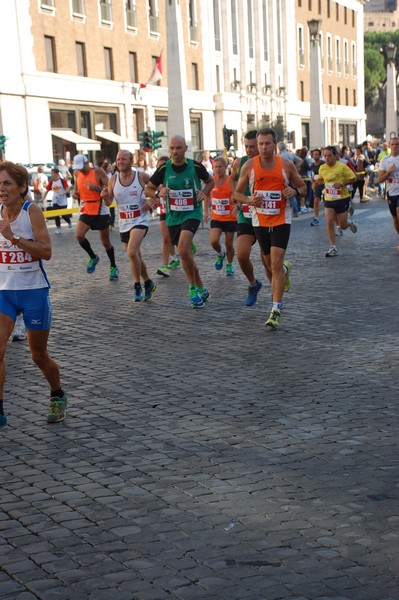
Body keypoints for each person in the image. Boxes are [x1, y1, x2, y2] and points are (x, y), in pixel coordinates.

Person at [0, 161, 68, 427]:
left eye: (7, 183)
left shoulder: (32, 212)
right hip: (4, 292)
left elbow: (46, 252)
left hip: (33, 291)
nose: (2, 189)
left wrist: (13, 237)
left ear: (21, 187)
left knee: (38, 356)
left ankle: (57, 394)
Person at [234, 128, 307, 329]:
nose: (264, 147)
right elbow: (236, 194)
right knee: (268, 264)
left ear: (275, 145)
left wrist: (294, 190)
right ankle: (285, 271)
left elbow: (303, 188)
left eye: (267, 143)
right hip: (259, 221)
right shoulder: (249, 166)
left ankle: (275, 308)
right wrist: (249, 199)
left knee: (274, 263)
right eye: (261, 144)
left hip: (281, 219)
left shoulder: (286, 165)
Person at [145, 135, 214, 308]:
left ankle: (192, 290)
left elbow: (210, 181)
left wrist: (204, 192)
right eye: (172, 148)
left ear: (185, 148)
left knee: (183, 250)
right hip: (173, 216)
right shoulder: (164, 169)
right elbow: (148, 188)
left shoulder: (195, 166)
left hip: (192, 212)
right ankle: (201, 287)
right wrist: (157, 194)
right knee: (186, 256)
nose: (175, 152)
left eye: (178, 148)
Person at [107, 150, 156, 302]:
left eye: (123, 159)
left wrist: (152, 202)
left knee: (131, 252)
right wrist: (103, 197)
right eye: (118, 159)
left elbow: (157, 189)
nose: (120, 161)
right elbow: (108, 202)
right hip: (124, 223)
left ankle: (137, 285)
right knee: (136, 256)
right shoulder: (113, 180)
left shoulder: (141, 176)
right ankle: (148, 282)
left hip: (140, 220)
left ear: (130, 161)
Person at [230, 129, 268, 306]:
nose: (249, 150)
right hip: (246, 215)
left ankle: (278, 289)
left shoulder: (269, 163)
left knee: (266, 259)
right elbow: (233, 179)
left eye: (253, 146)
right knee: (241, 255)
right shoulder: (240, 162)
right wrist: (237, 198)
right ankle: (253, 284)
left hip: (266, 216)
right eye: (246, 146)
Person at [72, 154, 119, 281]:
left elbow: (109, 188)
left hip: (100, 210)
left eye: (82, 167)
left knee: (105, 242)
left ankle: (113, 266)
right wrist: (75, 195)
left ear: (87, 163)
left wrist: (96, 188)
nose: (81, 170)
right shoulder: (77, 173)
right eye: (78, 168)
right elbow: (77, 191)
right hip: (86, 209)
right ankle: (93, 256)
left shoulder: (98, 171)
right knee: (79, 235)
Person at [317, 146, 357, 257]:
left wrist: (342, 184)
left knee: (342, 225)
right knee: (329, 221)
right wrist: (316, 182)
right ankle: (332, 247)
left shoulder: (342, 167)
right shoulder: (322, 168)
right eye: (325, 156)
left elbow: (354, 178)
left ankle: (349, 223)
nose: (327, 158)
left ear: (335, 156)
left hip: (342, 198)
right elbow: (320, 179)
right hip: (329, 199)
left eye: (329, 155)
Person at [204, 156, 236, 275]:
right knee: (213, 241)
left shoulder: (230, 180)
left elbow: (237, 194)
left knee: (229, 243)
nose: (217, 169)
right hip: (216, 217)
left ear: (225, 167)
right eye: (215, 167)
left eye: (220, 167)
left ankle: (229, 264)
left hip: (230, 217)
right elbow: (206, 196)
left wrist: (235, 202)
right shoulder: (211, 181)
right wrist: (206, 212)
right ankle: (220, 254)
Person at [155, 155, 180, 277]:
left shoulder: (174, 178)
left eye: (164, 166)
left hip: (177, 212)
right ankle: (165, 266)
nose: (161, 168)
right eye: (159, 166)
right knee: (166, 239)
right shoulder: (155, 181)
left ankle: (176, 258)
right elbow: (150, 193)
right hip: (164, 212)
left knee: (175, 239)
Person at [378, 136, 399, 251]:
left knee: (398, 211)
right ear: (390, 146)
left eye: (397, 144)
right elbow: (380, 179)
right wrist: (389, 172)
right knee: (395, 218)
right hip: (392, 192)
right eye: (393, 144)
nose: (395, 146)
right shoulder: (385, 160)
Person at [43, 167, 72, 234]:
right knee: (56, 214)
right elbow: (47, 190)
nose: (52, 174)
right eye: (51, 173)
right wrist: (43, 198)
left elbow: (67, 188)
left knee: (63, 214)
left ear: (56, 173)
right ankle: (58, 228)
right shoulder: (51, 182)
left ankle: (69, 222)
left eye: (52, 173)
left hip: (63, 200)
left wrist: (63, 192)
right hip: (55, 200)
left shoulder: (62, 181)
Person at [310, 148, 324, 226]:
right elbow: (312, 175)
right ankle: (316, 218)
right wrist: (312, 182)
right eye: (313, 154)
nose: (315, 156)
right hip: (317, 185)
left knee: (329, 202)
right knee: (316, 201)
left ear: (319, 155)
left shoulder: (323, 164)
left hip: (325, 184)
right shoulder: (312, 165)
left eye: (316, 154)